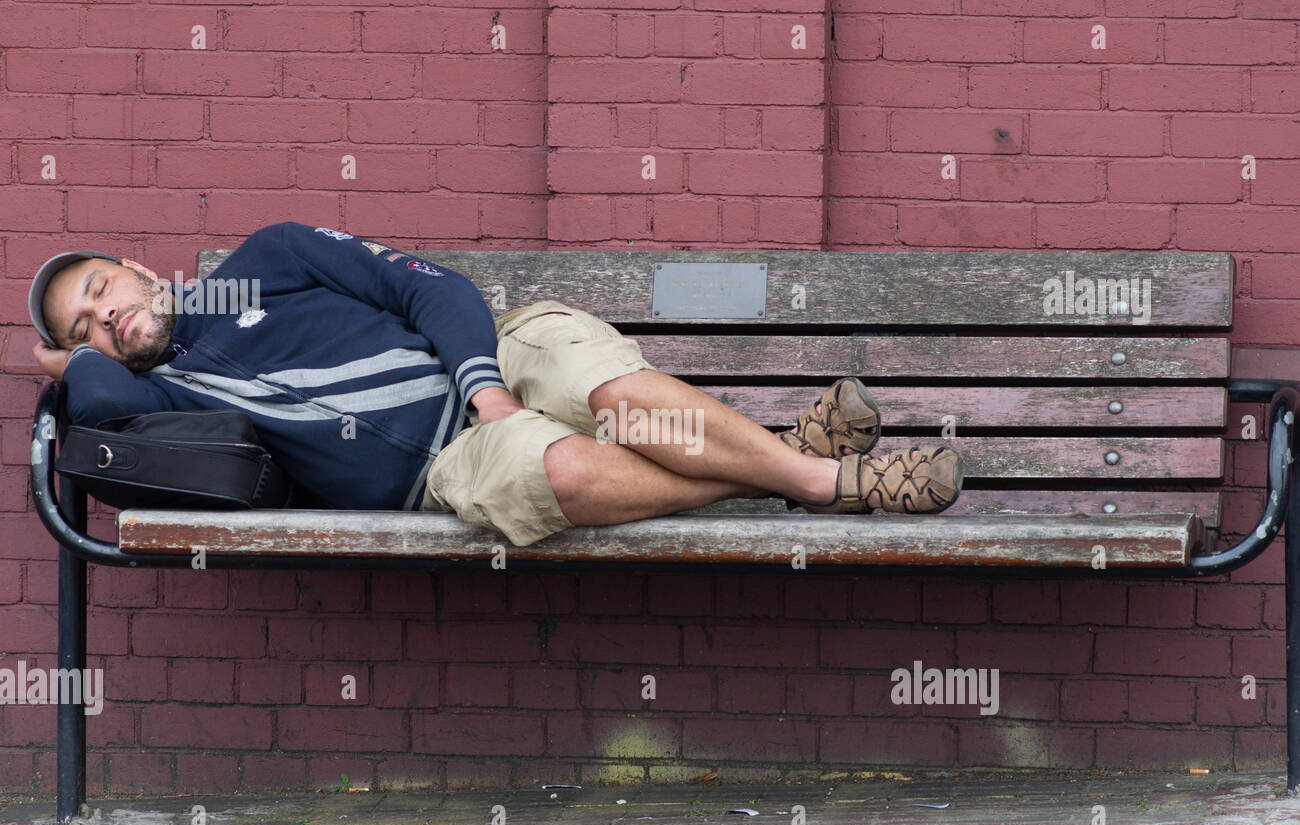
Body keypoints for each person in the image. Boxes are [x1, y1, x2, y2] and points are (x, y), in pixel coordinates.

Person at [27, 221, 964, 547]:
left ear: (137, 265)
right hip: (448, 465)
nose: (104, 316)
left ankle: (808, 480)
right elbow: (101, 410)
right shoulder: (165, 399)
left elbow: (426, 286)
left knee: (609, 395)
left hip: (492, 361)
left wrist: (481, 382)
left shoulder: (268, 257)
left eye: (102, 289)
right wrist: (80, 368)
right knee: (548, 471)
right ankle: (806, 471)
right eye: (82, 324)